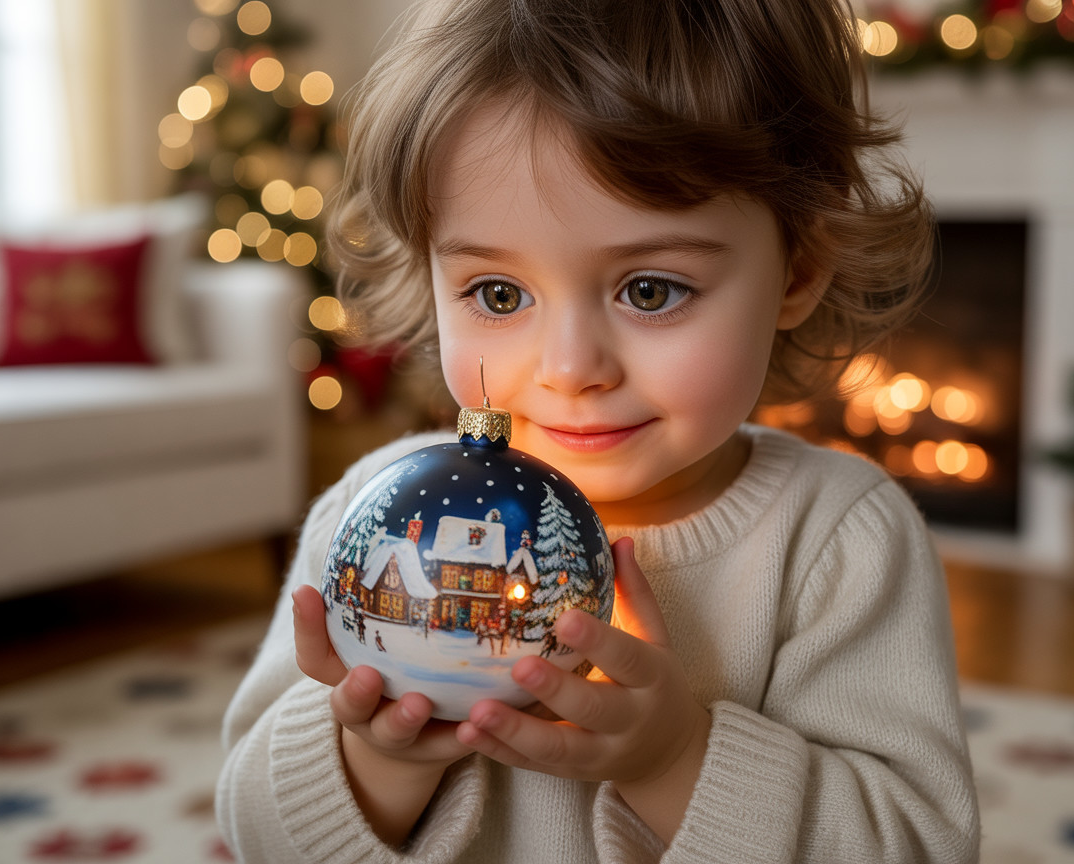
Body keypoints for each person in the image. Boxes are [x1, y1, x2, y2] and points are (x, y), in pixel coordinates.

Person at [216, 0, 980, 860]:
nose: (570, 368)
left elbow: (918, 846)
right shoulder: (376, 518)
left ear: (798, 269)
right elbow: (254, 830)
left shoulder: (837, 539)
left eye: (650, 289)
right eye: (499, 295)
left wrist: (677, 759)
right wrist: (370, 758)